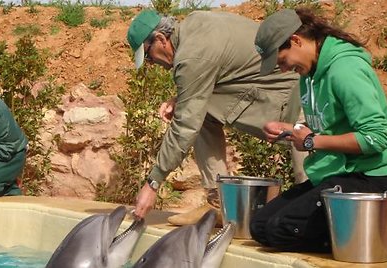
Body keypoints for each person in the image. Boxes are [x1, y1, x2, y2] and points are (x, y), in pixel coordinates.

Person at [250, 8, 387, 252]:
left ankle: (377, 233)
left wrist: (313, 142)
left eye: (282, 61)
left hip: (374, 179)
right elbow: (327, 127)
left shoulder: (345, 69)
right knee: (260, 226)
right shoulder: (309, 75)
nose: (282, 69)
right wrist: (291, 129)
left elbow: (375, 137)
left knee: (280, 229)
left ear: (296, 41)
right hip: (338, 175)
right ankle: (355, 233)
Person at [127, 9, 307, 224]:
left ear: (161, 39)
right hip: (274, 89)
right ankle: (219, 202)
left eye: (148, 55)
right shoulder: (196, 23)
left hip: (291, 99)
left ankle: (317, 216)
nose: (151, 63)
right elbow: (224, 70)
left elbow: (185, 125)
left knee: (309, 184)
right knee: (196, 109)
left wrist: (153, 183)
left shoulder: (192, 55)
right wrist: (181, 98)